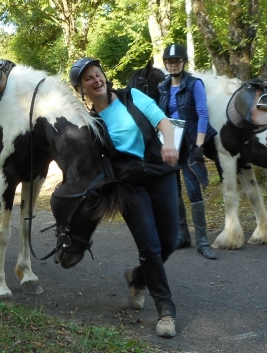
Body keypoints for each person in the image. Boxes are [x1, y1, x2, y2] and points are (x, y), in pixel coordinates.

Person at [69, 57, 180, 338]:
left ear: (104, 76)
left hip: (160, 173)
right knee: (150, 247)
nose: (96, 80)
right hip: (129, 187)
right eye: (88, 79)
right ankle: (166, 311)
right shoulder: (92, 123)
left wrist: (168, 145)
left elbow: (162, 121)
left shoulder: (132, 97)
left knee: (169, 242)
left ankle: (137, 278)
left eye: (98, 74)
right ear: (82, 89)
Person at [158, 43, 218, 260]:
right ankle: (182, 235)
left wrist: (199, 145)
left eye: (177, 61)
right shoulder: (163, 87)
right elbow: (159, 116)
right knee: (173, 191)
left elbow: (202, 114)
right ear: (166, 64)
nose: (173, 65)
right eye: (170, 62)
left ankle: (202, 241)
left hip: (190, 143)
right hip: (170, 144)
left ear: (183, 62)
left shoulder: (194, 84)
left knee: (194, 191)